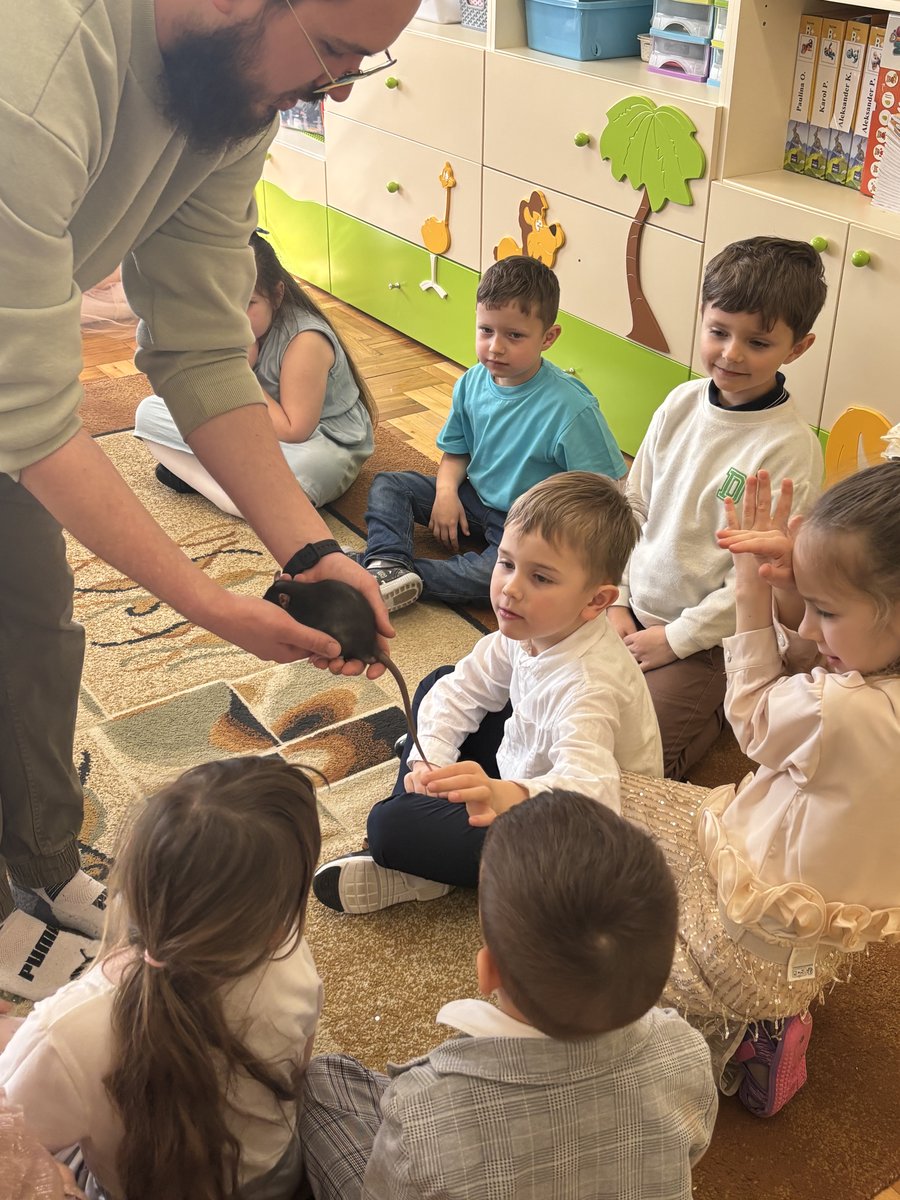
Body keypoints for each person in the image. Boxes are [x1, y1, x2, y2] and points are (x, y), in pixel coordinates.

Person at [0, 0, 418, 999]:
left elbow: (196, 342)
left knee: (33, 629)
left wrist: (312, 552)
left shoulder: (232, 88)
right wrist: (206, 602)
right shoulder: (34, 66)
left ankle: (42, 858)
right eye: (334, 53)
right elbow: (29, 410)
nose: (336, 92)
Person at [617, 465, 900, 1116]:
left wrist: (749, 587)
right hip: (815, 929)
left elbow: (750, 711)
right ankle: (770, 1010)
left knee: (602, 932)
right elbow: (821, 659)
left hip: (747, 934)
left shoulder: (841, 712)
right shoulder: (874, 686)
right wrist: (800, 592)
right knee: (631, 807)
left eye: (826, 610)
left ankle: (748, 1030)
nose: (812, 627)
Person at [300, 790, 718, 1200]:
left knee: (321, 1081)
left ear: (488, 971)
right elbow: (690, 1152)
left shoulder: (423, 1109)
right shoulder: (688, 1052)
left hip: (422, 1140)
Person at [314, 472, 663, 914]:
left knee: (389, 825)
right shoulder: (532, 627)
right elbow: (461, 689)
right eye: (506, 563)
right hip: (532, 768)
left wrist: (500, 795)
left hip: (579, 837)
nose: (510, 589)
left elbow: (591, 797)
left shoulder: (590, 686)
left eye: (541, 577)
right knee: (439, 683)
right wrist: (430, 763)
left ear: (596, 602)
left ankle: (415, 862)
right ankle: (423, 824)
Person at [0, 756, 323, 1200]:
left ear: (131, 876)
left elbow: (12, 1150)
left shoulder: (62, 1032)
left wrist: (21, 1042)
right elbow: (299, 1067)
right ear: (275, 918)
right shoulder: (291, 957)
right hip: (276, 1178)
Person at [608, 236, 827, 780]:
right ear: (702, 316)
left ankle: (718, 713)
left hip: (709, 643)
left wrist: (675, 639)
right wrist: (617, 597)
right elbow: (633, 506)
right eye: (719, 332)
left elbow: (757, 578)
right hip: (631, 608)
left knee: (631, 765)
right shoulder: (679, 402)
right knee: (547, 691)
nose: (731, 354)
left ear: (797, 348)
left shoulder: (790, 448)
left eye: (758, 342)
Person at [351, 255, 627, 614]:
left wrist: (554, 544)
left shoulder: (572, 408)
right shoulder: (471, 382)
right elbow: (457, 450)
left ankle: (381, 574)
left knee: (492, 581)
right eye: (486, 330)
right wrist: (446, 492)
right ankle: (386, 562)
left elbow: (606, 490)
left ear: (548, 337)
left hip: (531, 524)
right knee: (390, 485)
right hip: (475, 500)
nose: (496, 346)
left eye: (514, 335)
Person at [135, 231, 376, 513]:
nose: (233, 316)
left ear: (276, 295)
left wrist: (239, 370)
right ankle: (244, 496)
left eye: (247, 303)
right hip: (254, 430)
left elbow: (293, 431)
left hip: (316, 440)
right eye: (222, 302)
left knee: (307, 468)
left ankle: (222, 488)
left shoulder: (305, 341)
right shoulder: (219, 321)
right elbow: (192, 394)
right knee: (150, 413)